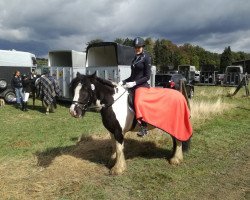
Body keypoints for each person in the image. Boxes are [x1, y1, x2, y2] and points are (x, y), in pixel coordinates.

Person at [120, 37, 152, 137]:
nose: (137, 49)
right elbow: (132, 76)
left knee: (138, 101)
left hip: (142, 85)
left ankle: (144, 126)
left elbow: (147, 76)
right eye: (135, 47)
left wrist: (134, 83)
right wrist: (124, 81)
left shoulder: (147, 57)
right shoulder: (135, 58)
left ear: (142, 47)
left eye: (138, 47)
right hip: (133, 85)